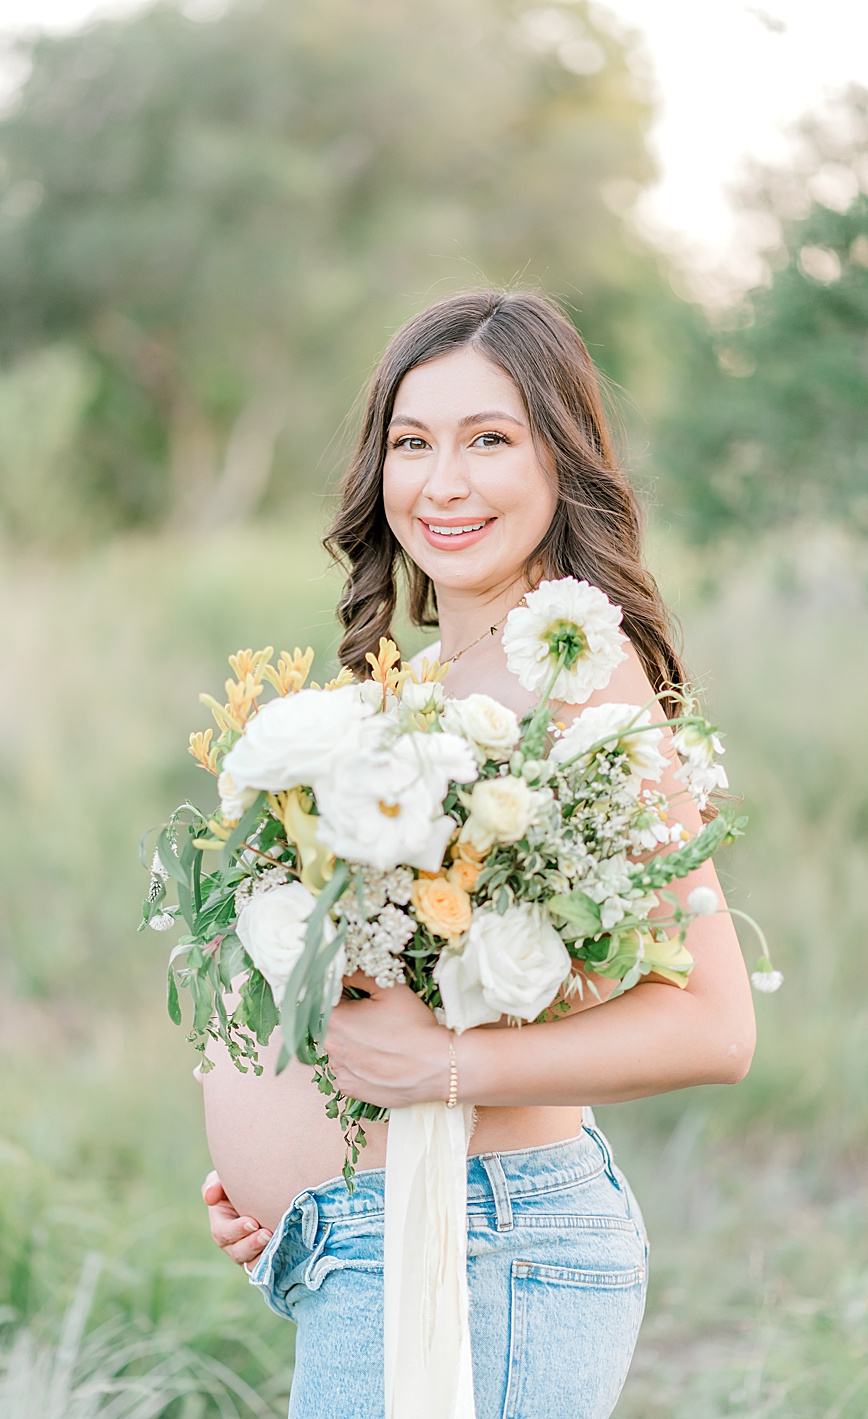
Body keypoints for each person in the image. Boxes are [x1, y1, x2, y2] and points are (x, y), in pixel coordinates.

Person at [196, 289, 756, 1418]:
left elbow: (714, 1022)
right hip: (383, 1237)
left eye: (487, 440)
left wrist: (443, 1073)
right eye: (412, 443)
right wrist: (300, 1189)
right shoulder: (434, 685)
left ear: (562, 463)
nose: (441, 483)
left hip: (488, 1250)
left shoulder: (575, 676)